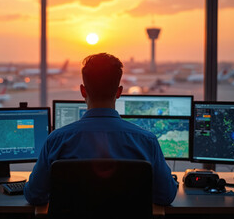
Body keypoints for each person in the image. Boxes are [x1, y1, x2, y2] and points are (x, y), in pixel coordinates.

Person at [24, 53, 177, 205]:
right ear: (119, 92)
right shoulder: (146, 141)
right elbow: (165, 197)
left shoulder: (56, 140)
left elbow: (35, 195)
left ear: (83, 91)